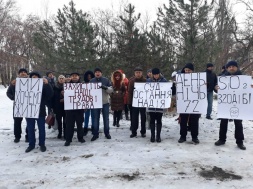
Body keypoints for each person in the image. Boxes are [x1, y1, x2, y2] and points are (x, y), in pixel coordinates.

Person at [214, 60, 246, 150]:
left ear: (237, 67)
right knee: (223, 122)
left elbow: (247, 89)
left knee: (238, 123)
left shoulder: (243, 78)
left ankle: (240, 142)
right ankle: (221, 139)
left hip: (238, 103)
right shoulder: (222, 78)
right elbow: (216, 89)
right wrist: (216, 88)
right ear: (227, 68)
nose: (231, 68)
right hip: (226, 104)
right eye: (229, 67)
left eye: (233, 66)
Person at [25, 71, 54, 152]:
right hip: (29, 111)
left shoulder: (43, 86)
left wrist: (47, 84)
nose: (34, 77)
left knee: (41, 129)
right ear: (30, 78)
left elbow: (50, 94)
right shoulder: (25, 86)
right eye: (32, 76)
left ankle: (42, 144)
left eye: (36, 76)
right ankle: (31, 144)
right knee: (30, 129)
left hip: (40, 111)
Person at [178, 63, 201, 144]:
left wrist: (205, 85)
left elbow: (203, 89)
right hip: (184, 102)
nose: (187, 72)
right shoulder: (180, 78)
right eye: (186, 70)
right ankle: (183, 136)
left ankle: (194, 137)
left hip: (195, 102)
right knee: (183, 120)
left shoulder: (197, 79)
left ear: (192, 71)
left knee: (194, 120)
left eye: (189, 70)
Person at [90, 68, 113, 141]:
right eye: (96, 72)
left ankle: (107, 133)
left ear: (101, 73)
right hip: (95, 103)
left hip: (104, 102)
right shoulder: (92, 81)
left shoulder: (106, 80)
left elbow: (111, 90)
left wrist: (105, 87)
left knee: (106, 119)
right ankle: (95, 134)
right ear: (94, 73)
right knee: (96, 119)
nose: (97, 73)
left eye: (99, 72)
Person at [6, 68, 29, 143]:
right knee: (17, 121)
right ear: (19, 74)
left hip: (29, 105)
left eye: (24, 72)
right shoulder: (14, 82)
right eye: (21, 72)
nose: (23, 73)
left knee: (29, 121)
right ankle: (17, 136)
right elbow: (8, 92)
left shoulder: (31, 81)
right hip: (18, 105)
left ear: (27, 74)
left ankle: (28, 136)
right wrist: (13, 98)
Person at [64, 72, 86, 146]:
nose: (74, 77)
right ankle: (68, 139)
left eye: (76, 76)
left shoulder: (83, 85)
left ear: (78, 77)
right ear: (70, 77)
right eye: (73, 76)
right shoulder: (66, 85)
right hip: (69, 109)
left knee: (80, 124)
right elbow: (60, 92)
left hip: (79, 109)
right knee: (69, 125)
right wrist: (62, 93)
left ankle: (80, 137)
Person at [147, 68, 167, 142]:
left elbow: (167, 90)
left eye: (157, 74)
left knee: (159, 119)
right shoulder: (149, 81)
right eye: (154, 74)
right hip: (151, 104)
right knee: (152, 119)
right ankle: (152, 136)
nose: (155, 76)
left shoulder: (164, 81)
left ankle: (158, 136)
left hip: (160, 104)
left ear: (159, 74)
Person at [128, 67, 147, 138]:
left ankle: (143, 132)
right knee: (134, 118)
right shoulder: (131, 81)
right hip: (134, 102)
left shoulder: (145, 80)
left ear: (141, 73)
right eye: (137, 72)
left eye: (139, 72)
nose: (138, 74)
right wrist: (129, 103)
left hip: (143, 102)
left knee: (143, 118)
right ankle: (134, 132)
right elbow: (129, 92)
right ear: (134, 73)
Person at [52, 75, 66, 139]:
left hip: (65, 107)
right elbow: (53, 97)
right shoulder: (54, 87)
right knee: (59, 121)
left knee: (65, 121)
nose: (61, 80)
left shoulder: (67, 86)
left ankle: (65, 133)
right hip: (57, 107)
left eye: (62, 78)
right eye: (60, 78)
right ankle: (60, 133)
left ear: (64, 80)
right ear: (58, 79)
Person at [83, 70, 95, 136]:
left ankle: (93, 128)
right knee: (86, 116)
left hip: (93, 102)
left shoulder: (95, 84)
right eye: (88, 76)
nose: (89, 77)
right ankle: (85, 128)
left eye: (90, 76)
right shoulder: (83, 84)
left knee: (93, 116)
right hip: (86, 102)